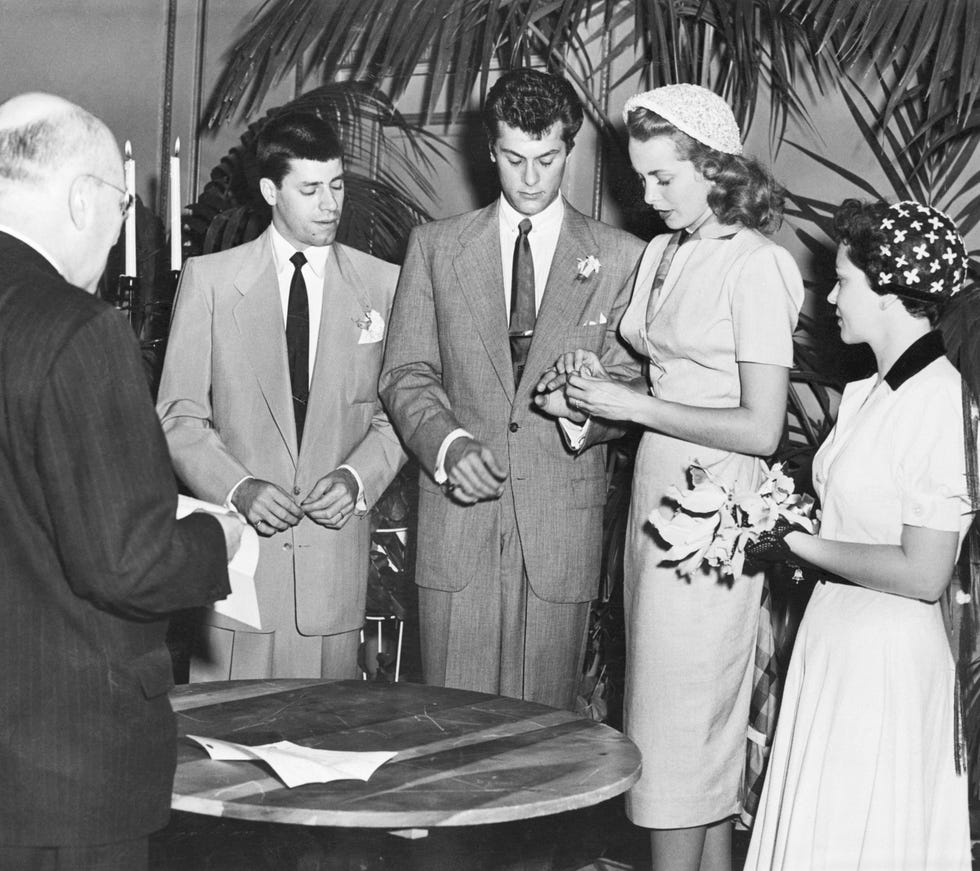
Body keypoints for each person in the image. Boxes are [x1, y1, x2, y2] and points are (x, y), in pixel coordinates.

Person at [541, 84, 804, 869]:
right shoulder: (663, 251)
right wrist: (588, 396)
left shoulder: (759, 266)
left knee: (679, 735)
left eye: (663, 178)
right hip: (656, 512)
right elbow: (655, 393)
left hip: (715, 522)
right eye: (641, 178)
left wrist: (636, 403)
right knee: (684, 737)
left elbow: (762, 427)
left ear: (717, 168)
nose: (647, 196)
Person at [0, 93, 241, 871]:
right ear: (79, 197)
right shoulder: (80, 329)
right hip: (64, 769)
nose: (117, 231)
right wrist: (217, 534)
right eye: (118, 204)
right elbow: (128, 562)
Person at [378, 68, 645, 711]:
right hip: (458, 527)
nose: (530, 179)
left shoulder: (622, 256)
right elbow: (405, 373)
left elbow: (635, 385)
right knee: (451, 730)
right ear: (490, 151)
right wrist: (449, 448)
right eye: (514, 159)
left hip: (560, 532)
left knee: (544, 742)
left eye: (547, 159)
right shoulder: (436, 248)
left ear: (569, 151)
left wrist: (580, 412)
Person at [743, 199, 974, 870]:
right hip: (835, 638)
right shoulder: (867, 391)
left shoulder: (940, 402)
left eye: (843, 279)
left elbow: (925, 571)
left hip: (885, 662)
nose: (831, 294)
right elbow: (854, 521)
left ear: (892, 291)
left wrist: (797, 542)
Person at [157, 112, 404, 680]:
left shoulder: (385, 284)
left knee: (328, 754)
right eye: (310, 189)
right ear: (270, 190)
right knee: (226, 757)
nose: (330, 205)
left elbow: (397, 415)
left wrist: (357, 479)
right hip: (238, 582)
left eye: (337, 185)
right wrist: (238, 487)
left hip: (333, 583)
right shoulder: (211, 281)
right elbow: (179, 416)